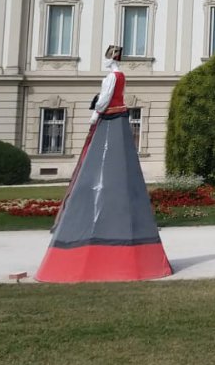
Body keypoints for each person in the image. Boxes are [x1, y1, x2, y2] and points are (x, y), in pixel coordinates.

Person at [36, 44, 171, 282]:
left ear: (112, 59)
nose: (107, 61)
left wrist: (95, 113)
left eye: (109, 58)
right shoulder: (121, 76)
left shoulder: (111, 77)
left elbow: (104, 99)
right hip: (119, 114)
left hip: (109, 116)